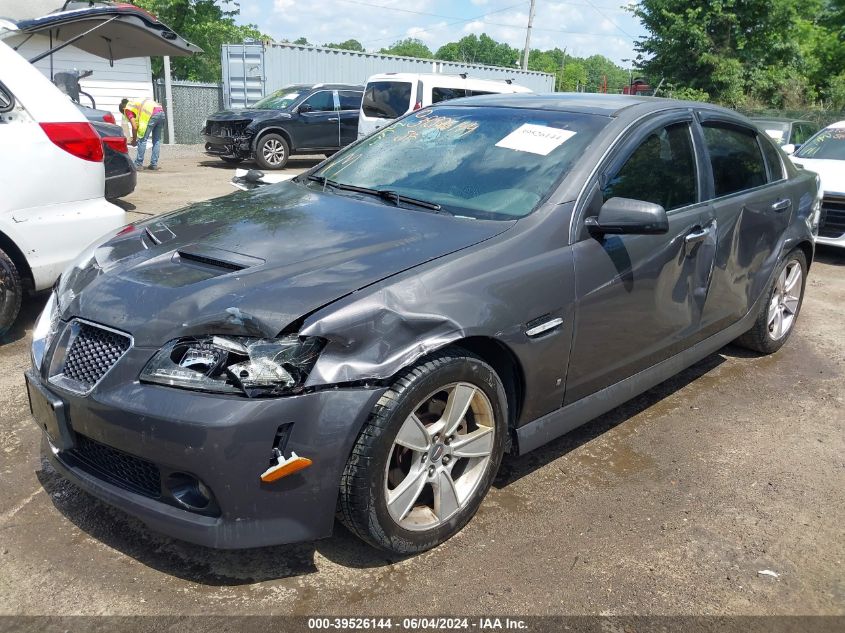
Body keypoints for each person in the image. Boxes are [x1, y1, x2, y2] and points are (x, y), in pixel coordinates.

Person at [119, 97, 165, 171]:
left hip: (152, 114)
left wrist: (134, 140)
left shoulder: (127, 109)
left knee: (142, 140)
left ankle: (138, 164)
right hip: (161, 112)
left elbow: (134, 126)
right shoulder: (134, 103)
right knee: (156, 140)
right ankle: (154, 164)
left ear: (123, 109)